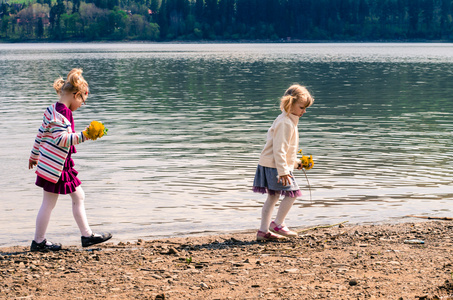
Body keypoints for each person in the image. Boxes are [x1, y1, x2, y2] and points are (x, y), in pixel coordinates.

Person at [28, 68, 112, 252]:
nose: (82, 104)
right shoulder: (62, 114)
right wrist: (85, 135)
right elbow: (61, 139)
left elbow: (41, 134)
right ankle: (40, 241)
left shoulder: (52, 109)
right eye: (82, 100)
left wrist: (34, 155)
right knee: (51, 202)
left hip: (53, 163)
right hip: (56, 167)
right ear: (75, 95)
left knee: (76, 196)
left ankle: (85, 235)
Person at [253, 84, 314, 241]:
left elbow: (286, 150)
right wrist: (284, 171)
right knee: (293, 193)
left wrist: (295, 163)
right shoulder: (285, 123)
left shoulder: (287, 121)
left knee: (273, 197)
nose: (304, 111)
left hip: (271, 164)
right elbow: (278, 150)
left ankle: (263, 231)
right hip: (275, 167)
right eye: (302, 107)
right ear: (290, 103)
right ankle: (278, 224)